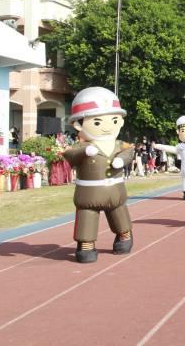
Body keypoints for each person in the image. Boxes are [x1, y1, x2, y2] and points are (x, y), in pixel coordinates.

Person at [63, 87, 135, 264]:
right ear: (79, 124)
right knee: (87, 217)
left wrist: (122, 159)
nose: (106, 127)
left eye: (113, 120)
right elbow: (69, 155)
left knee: (119, 215)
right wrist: (85, 151)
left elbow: (129, 152)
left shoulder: (120, 144)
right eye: (97, 122)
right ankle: (86, 246)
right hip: (89, 194)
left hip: (115, 191)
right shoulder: (81, 147)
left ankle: (124, 236)